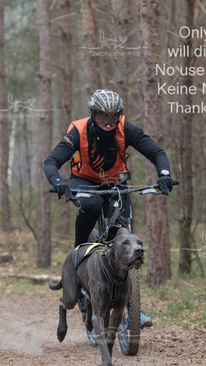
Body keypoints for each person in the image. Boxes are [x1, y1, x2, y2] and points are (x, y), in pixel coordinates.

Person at [44, 89, 174, 327]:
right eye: (103, 116)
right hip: (84, 181)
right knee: (91, 205)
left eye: (113, 116)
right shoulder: (79, 131)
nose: (108, 121)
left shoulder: (126, 129)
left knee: (127, 240)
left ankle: (134, 308)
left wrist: (164, 175)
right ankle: (79, 265)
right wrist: (58, 182)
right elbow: (52, 161)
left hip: (116, 183)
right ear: (93, 115)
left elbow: (156, 152)